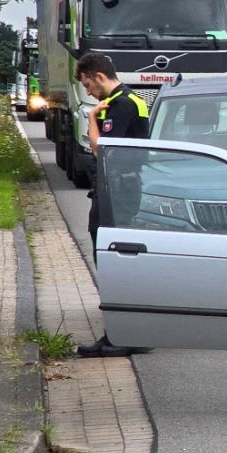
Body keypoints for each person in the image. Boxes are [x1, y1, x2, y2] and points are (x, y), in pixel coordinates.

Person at [74, 53, 150, 358]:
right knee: (119, 261)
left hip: (118, 189)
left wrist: (92, 119)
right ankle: (132, 333)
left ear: (100, 76)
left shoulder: (119, 105)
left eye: (88, 85)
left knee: (112, 262)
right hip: (122, 187)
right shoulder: (132, 100)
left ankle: (120, 336)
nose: (89, 91)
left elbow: (99, 149)